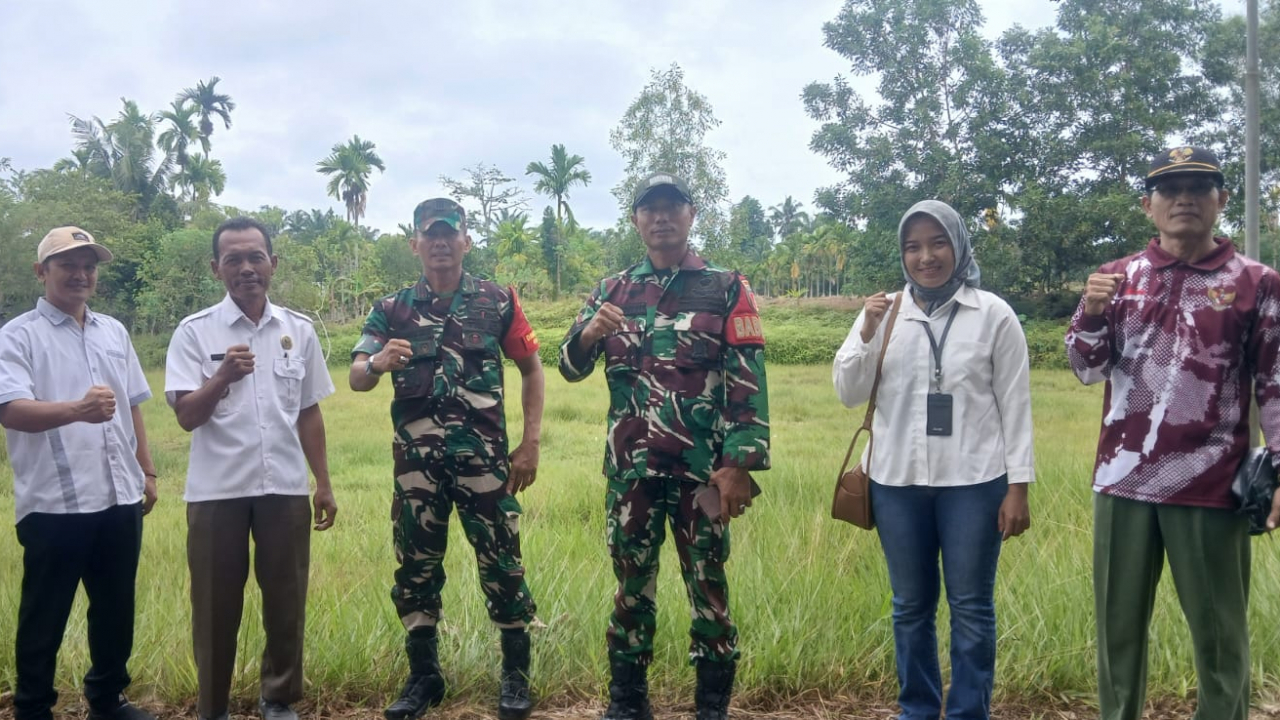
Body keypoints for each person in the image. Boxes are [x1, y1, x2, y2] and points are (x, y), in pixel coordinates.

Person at [1065, 147, 1280, 720]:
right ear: (1148, 206)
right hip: (1123, 480)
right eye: (1169, 189)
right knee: (1118, 636)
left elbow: (1275, 383)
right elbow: (1086, 369)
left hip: (1210, 483)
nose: (1183, 197)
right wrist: (1089, 314)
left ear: (1221, 200)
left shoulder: (1255, 283)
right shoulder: (1115, 279)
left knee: (1219, 640)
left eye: (1198, 186)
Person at [559, 172, 770, 720]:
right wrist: (588, 335)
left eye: (672, 207)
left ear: (691, 215)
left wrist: (740, 464)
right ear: (636, 221)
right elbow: (568, 366)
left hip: (703, 474)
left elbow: (747, 380)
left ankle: (711, 705)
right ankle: (628, 702)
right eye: (649, 209)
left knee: (709, 585)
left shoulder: (726, 287)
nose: (661, 217)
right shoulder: (612, 291)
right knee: (631, 586)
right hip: (632, 472)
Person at [833, 200, 1034, 720]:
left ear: (958, 246)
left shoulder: (993, 314)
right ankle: (917, 711)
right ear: (903, 254)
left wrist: (1019, 487)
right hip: (896, 481)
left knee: (970, 607)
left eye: (937, 243)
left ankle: (969, 712)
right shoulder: (884, 311)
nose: (926, 257)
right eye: (913, 246)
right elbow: (848, 393)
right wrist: (865, 331)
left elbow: (1016, 405)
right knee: (910, 607)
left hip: (975, 481)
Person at [349, 198, 544, 720]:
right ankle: (424, 678)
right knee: (416, 570)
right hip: (418, 470)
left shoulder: (498, 301)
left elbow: (531, 368)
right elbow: (357, 375)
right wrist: (378, 362)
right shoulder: (391, 309)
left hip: (485, 465)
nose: (440, 242)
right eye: (430, 234)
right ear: (414, 244)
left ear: (466, 241)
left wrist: (530, 443)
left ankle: (515, 677)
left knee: (502, 566)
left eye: (449, 233)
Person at [164, 217, 338, 720]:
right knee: (215, 606)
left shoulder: (297, 331)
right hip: (217, 491)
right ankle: (212, 708)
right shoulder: (195, 332)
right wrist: (221, 377)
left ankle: (278, 698)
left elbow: (308, 411)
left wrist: (322, 482)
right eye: (234, 259)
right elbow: (186, 417)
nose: (246, 269)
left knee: (286, 600)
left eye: (255, 257)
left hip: (283, 486)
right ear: (216, 267)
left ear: (273, 264)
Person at [0, 226, 158, 720]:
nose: (81, 274)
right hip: (55, 502)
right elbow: (10, 409)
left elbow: (132, 404)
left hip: (119, 494)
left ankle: (107, 700)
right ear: (41, 271)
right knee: (44, 614)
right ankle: (32, 708)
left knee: (115, 608)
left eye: (89, 265)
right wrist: (76, 410)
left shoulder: (113, 331)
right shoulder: (17, 335)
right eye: (68, 264)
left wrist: (147, 473)